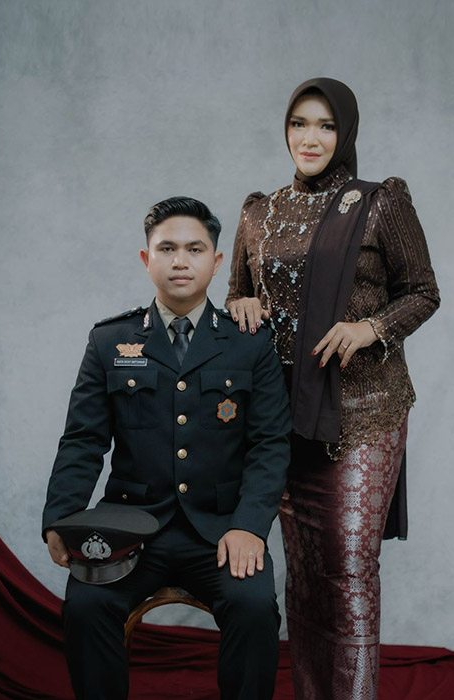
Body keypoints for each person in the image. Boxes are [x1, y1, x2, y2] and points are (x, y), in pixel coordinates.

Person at [226, 78, 440, 699]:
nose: (310, 138)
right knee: (304, 578)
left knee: (348, 569)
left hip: (363, 413)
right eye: (299, 124)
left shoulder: (379, 203)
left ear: (345, 133)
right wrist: (239, 304)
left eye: (325, 125)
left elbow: (423, 292)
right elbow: (237, 295)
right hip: (283, 418)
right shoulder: (258, 213)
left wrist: (371, 328)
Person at [42, 196, 291, 700]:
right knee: (87, 607)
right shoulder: (110, 341)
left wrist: (249, 526)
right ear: (146, 258)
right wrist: (61, 518)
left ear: (216, 262)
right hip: (129, 526)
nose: (181, 261)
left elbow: (269, 443)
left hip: (221, 530)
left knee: (254, 607)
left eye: (195, 249)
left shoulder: (250, 342)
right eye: (167, 248)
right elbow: (83, 440)